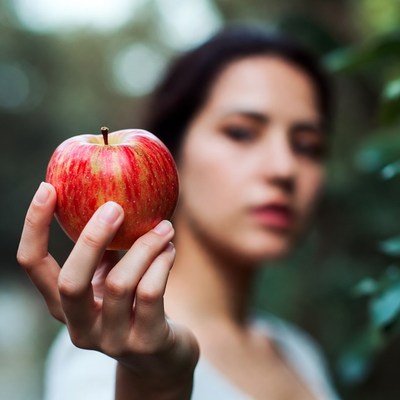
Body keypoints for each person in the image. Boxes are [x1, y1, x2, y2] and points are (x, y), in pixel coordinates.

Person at [17, 24, 340, 399]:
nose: (284, 168)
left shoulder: (298, 351)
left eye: (308, 145)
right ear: (173, 157)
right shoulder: (105, 356)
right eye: (241, 133)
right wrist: (155, 381)